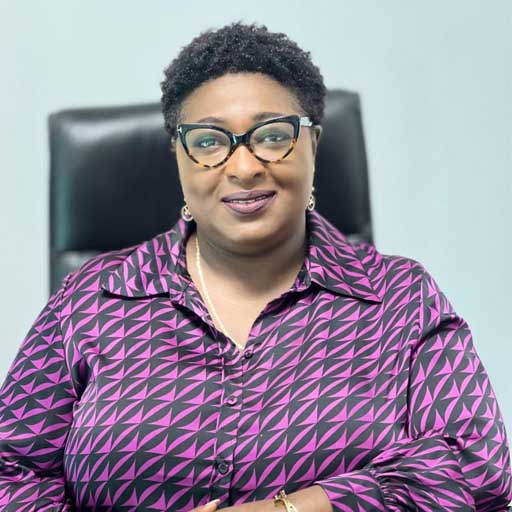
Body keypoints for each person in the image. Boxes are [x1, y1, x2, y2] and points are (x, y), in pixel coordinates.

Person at [0, 21, 511, 512]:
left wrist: (296, 509)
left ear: (313, 144)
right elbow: (11, 472)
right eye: (208, 141)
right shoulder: (96, 296)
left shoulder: (399, 298)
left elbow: (477, 469)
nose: (243, 168)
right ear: (178, 155)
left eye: (272, 136)